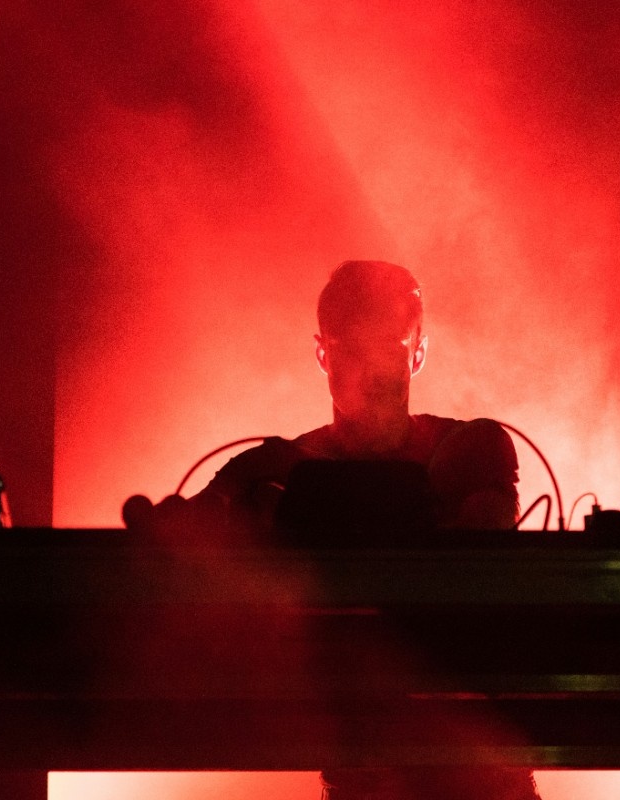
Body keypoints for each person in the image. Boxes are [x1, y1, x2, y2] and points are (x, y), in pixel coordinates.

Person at [125, 260, 539, 800]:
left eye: (387, 346)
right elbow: (175, 550)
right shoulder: (277, 466)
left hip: (477, 776)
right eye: (351, 349)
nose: (369, 369)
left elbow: (482, 571)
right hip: (369, 778)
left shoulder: (468, 448)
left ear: (418, 351)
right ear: (324, 353)